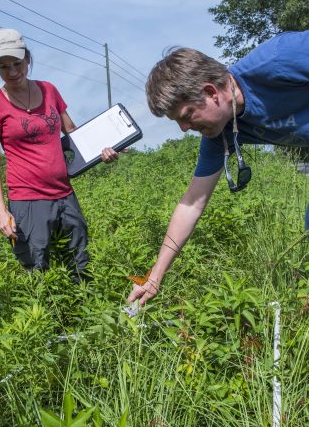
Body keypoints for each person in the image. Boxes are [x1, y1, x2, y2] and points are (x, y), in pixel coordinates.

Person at [128, 30, 309, 306]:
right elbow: (191, 204)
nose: (185, 128)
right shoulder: (221, 132)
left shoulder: (281, 58)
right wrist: (155, 275)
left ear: (211, 92)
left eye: (187, 116)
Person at [0, 28, 118, 282]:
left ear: (28, 59)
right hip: (27, 201)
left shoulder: (49, 90)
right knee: (37, 271)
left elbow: (74, 134)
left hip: (65, 195)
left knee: (80, 263)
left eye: (17, 63)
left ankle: (84, 315)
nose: (12, 72)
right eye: (3, 66)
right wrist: (1, 211)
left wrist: (104, 149)